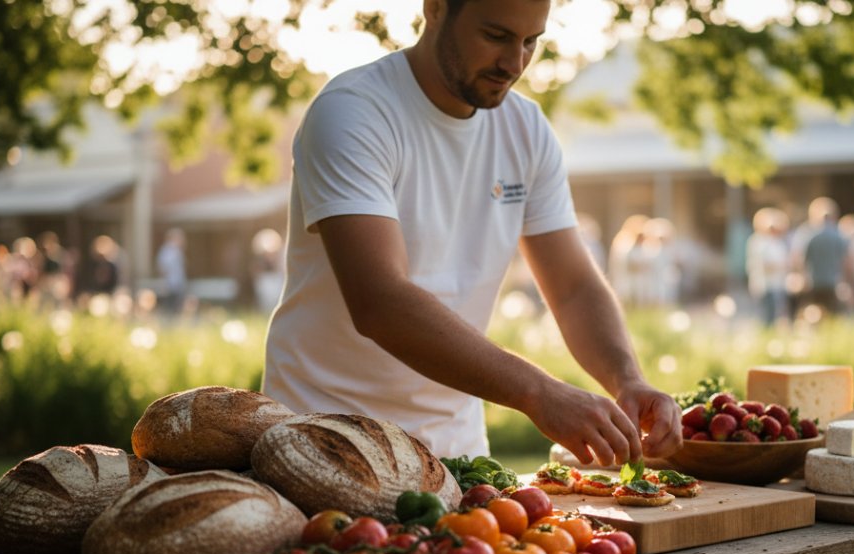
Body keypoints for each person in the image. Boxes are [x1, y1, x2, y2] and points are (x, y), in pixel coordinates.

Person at [263, 0, 681, 465]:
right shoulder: (353, 112)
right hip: (326, 442)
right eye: (497, 36)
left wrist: (628, 380)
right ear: (436, 7)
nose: (515, 63)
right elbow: (380, 300)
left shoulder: (527, 129)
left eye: (531, 42)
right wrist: (538, 393)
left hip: (455, 454)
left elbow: (574, 288)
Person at [799, 198, 848, 318]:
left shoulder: (807, 234)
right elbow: (846, 260)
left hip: (814, 281)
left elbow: (800, 259)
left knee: (814, 314)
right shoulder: (838, 235)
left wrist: (803, 277)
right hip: (833, 281)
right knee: (832, 314)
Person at [745, 207, 790, 325]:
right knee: (766, 316)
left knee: (776, 315)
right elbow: (764, 265)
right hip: (765, 285)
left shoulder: (777, 242)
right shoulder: (758, 242)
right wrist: (781, 266)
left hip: (777, 283)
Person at [156, 227, 188, 314]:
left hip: (176, 284)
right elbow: (163, 268)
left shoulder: (176, 251)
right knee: (171, 308)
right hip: (171, 285)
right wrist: (165, 282)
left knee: (176, 308)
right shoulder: (168, 251)